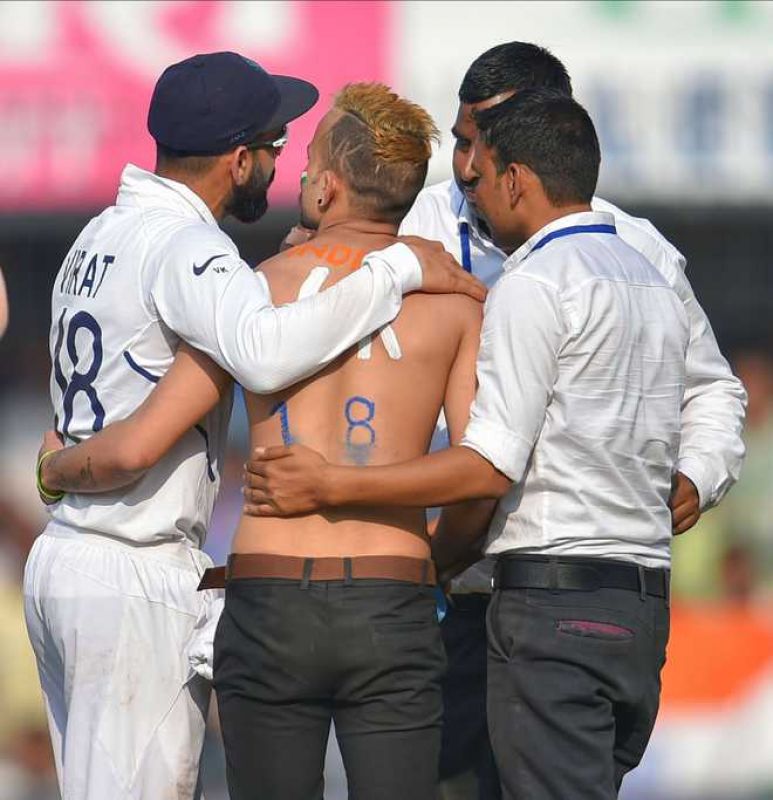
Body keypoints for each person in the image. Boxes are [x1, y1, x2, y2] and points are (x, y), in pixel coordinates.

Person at [26, 52, 482, 800]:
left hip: (91, 562)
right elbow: (261, 357)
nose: (283, 165)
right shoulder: (202, 258)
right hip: (140, 566)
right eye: (274, 147)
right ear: (238, 160)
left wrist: (59, 472)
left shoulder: (101, 236)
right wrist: (396, 268)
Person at [241, 90, 720, 798]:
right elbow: (714, 390)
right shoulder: (651, 275)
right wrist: (701, 473)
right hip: (636, 604)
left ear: (516, 179)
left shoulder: (527, 282)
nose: (471, 186)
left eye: (482, 168)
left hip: (536, 601)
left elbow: (487, 466)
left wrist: (334, 486)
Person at [394, 41, 748, 800]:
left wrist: (697, 475)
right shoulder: (414, 225)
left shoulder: (634, 248)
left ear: (530, 147)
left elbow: (713, 390)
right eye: (458, 141)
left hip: (537, 587)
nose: (463, 166)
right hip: (452, 596)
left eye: (480, 143)